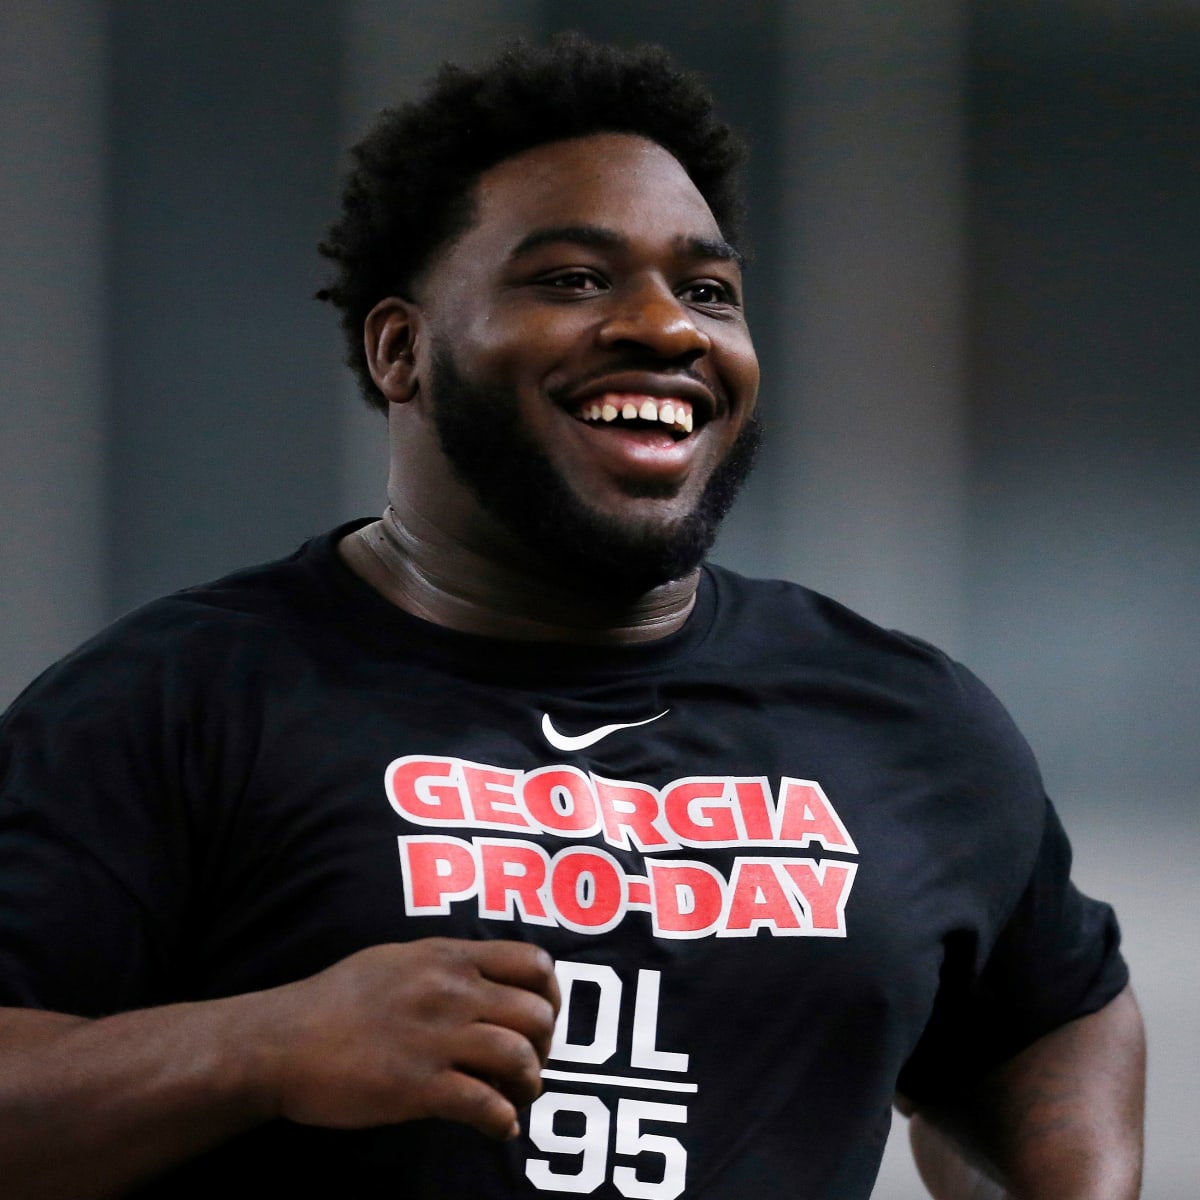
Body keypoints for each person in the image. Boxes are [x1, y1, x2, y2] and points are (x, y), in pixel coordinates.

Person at [0, 34, 1143, 1200]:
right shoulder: (175, 701)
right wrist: (259, 1048)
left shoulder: (908, 722)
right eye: (573, 279)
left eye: (709, 291)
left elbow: (1055, 1015)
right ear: (402, 348)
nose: (669, 328)